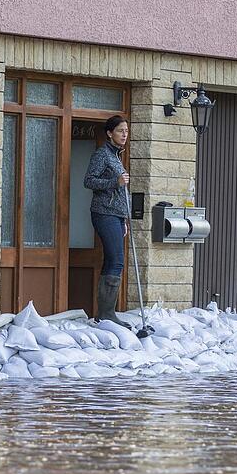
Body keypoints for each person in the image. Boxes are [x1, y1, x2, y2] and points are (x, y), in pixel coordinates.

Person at [84, 115, 132, 327]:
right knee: (116, 260)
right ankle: (106, 313)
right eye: (121, 131)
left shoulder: (117, 157)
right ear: (110, 133)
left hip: (117, 215)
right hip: (104, 213)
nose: (124, 135)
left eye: (126, 131)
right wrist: (116, 181)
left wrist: (124, 219)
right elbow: (89, 180)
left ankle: (106, 312)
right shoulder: (102, 154)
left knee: (114, 259)